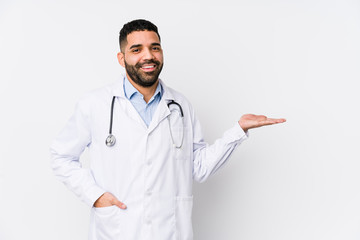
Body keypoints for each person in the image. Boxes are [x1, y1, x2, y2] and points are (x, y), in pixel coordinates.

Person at [50, 19, 286, 240]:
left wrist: (238, 130)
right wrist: (96, 196)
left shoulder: (180, 106)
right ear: (121, 59)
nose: (148, 56)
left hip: (170, 230)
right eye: (137, 50)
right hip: (118, 229)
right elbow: (61, 156)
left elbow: (200, 167)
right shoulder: (95, 104)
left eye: (155, 48)